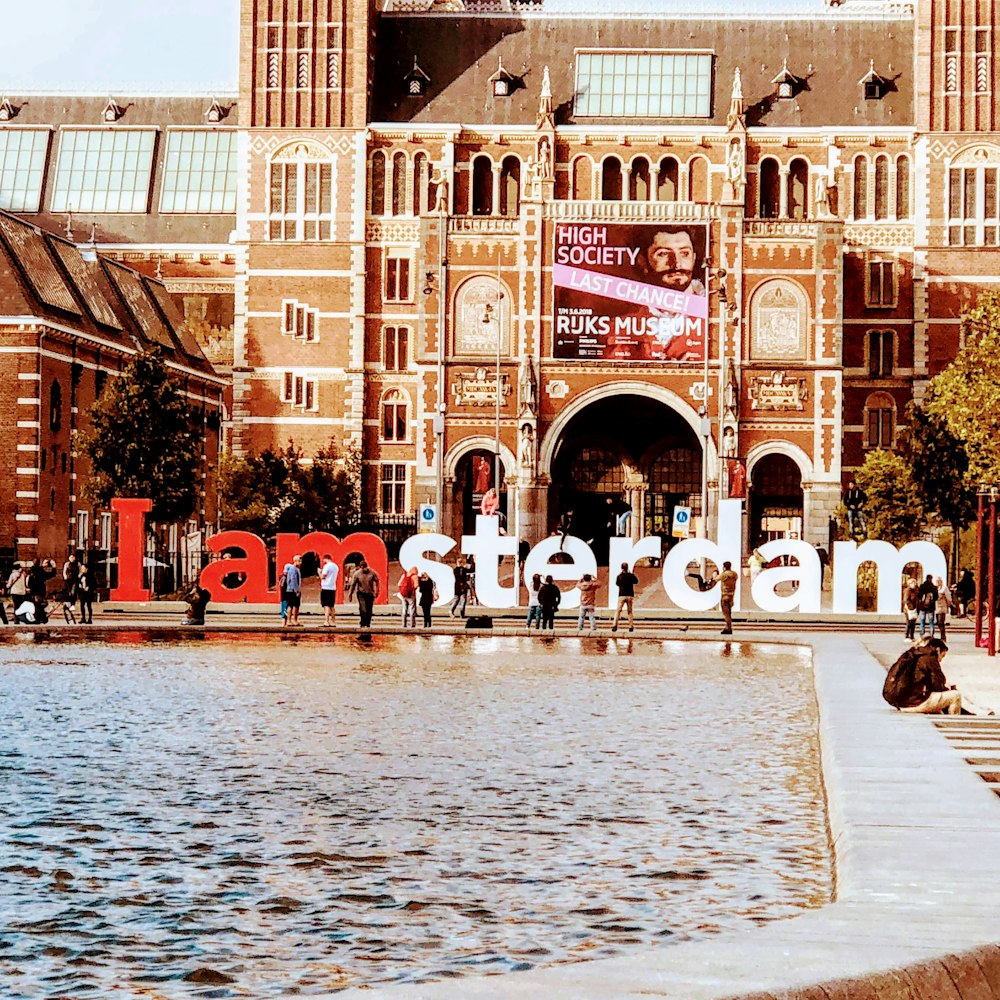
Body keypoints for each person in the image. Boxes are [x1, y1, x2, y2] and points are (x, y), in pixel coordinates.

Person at [883, 637, 961, 715]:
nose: (940, 660)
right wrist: (951, 690)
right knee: (955, 696)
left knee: (938, 709)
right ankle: (956, 721)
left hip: (902, 704)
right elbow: (938, 687)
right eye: (942, 656)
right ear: (937, 650)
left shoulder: (914, 655)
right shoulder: (930, 659)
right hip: (916, 703)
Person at [348, 559, 380, 629]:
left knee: (369, 609)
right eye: (362, 568)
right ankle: (363, 623)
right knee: (363, 609)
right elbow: (353, 584)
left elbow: (377, 581)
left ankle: (368, 623)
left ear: (366, 567)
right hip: (361, 593)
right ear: (360, 567)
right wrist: (350, 594)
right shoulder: (357, 574)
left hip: (370, 593)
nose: (364, 570)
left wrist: (377, 591)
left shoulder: (372, 572)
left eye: (365, 568)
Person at [612, 561, 639, 633]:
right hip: (630, 595)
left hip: (621, 595)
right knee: (629, 611)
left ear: (621, 568)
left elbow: (617, 584)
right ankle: (631, 626)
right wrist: (631, 574)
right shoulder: (631, 575)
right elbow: (636, 581)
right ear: (627, 568)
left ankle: (615, 625)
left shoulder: (619, 576)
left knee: (618, 611)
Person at [280, 554, 303, 627]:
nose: (300, 562)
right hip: (292, 590)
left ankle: (294, 620)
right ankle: (290, 620)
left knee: (295, 605)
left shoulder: (296, 569)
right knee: (292, 605)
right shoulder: (293, 569)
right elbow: (293, 581)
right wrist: (296, 590)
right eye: (299, 561)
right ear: (295, 561)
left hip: (292, 590)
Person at [718, 560, 739, 634]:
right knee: (729, 613)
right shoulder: (734, 574)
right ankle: (728, 627)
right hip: (731, 595)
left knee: (726, 613)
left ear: (724, 567)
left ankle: (728, 628)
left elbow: (716, 579)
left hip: (724, 595)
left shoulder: (724, 574)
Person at [916, 573, 938, 639]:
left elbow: (919, 596)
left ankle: (922, 634)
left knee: (922, 621)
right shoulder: (934, 587)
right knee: (931, 622)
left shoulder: (922, 586)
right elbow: (936, 597)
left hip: (922, 606)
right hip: (931, 607)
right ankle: (931, 634)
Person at [320, 553, 339, 627]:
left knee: (326, 605)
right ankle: (333, 621)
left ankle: (326, 621)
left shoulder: (326, 566)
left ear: (325, 559)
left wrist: (319, 573)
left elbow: (323, 576)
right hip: (332, 587)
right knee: (332, 605)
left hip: (326, 587)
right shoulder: (335, 566)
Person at [935, 576, 951, 643]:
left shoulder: (944, 588)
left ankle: (943, 636)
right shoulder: (935, 588)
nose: (938, 582)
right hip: (936, 607)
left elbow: (948, 598)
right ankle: (942, 635)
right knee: (938, 622)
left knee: (941, 622)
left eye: (939, 581)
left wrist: (948, 604)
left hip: (943, 607)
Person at [903, 576, 919, 641]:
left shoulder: (916, 590)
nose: (914, 584)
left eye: (915, 583)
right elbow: (906, 600)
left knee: (913, 623)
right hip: (908, 609)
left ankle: (912, 636)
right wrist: (911, 607)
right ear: (909, 584)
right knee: (909, 623)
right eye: (913, 583)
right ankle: (907, 636)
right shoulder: (908, 590)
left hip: (914, 609)